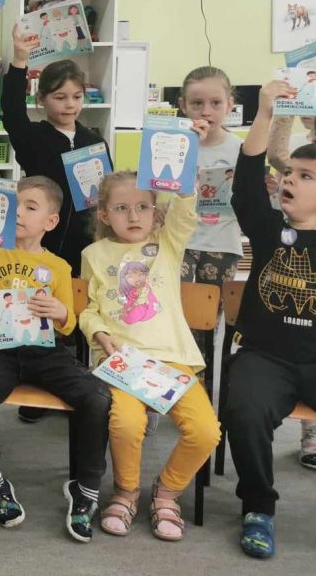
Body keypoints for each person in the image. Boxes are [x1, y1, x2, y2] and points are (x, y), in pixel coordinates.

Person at [0, 176, 110, 541]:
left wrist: (61, 312)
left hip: (44, 351)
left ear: (50, 221)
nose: (18, 213)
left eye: (30, 207)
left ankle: (86, 489)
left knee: (97, 396)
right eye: (13, 206)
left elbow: (68, 326)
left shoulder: (59, 267)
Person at [79, 158, 220, 543]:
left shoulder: (167, 244)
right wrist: (99, 333)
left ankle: (167, 492)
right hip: (122, 362)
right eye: (121, 208)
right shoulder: (93, 254)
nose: (133, 216)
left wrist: (185, 180)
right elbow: (88, 309)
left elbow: (185, 213)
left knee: (205, 431)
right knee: (126, 424)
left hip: (172, 359)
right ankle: (126, 492)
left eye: (143, 206)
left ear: (156, 212)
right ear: (105, 214)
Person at [224, 79, 316, 558]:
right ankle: (258, 507)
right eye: (289, 173)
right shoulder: (270, 228)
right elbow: (246, 186)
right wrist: (265, 112)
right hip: (265, 357)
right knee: (243, 409)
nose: (290, 180)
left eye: (306, 176)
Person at [3, 25, 111, 424]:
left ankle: (77, 384)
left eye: (77, 96)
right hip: (40, 245)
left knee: (78, 313)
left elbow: (106, 191)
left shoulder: (94, 140)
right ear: (42, 99)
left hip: (84, 244)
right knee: (38, 313)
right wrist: (19, 60)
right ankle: (35, 389)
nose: (69, 104)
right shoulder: (32, 137)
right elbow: (11, 110)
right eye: (60, 96)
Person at [262, 110, 316, 469]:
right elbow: (277, 156)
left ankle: (311, 426)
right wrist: (285, 108)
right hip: (297, 245)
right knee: (300, 324)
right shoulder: (305, 158)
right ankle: (310, 431)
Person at [177, 66, 244, 360]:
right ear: (183, 105)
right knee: (175, 307)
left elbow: (250, 200)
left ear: (230, 104)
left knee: (207, 316)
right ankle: (177, 368)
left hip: (222, 243)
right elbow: (158, 189)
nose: (206, 111)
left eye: (216, 103)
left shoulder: (241, 148)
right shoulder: (176, 144)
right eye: (197, 103)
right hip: (180, 239)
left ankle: (203, 373)